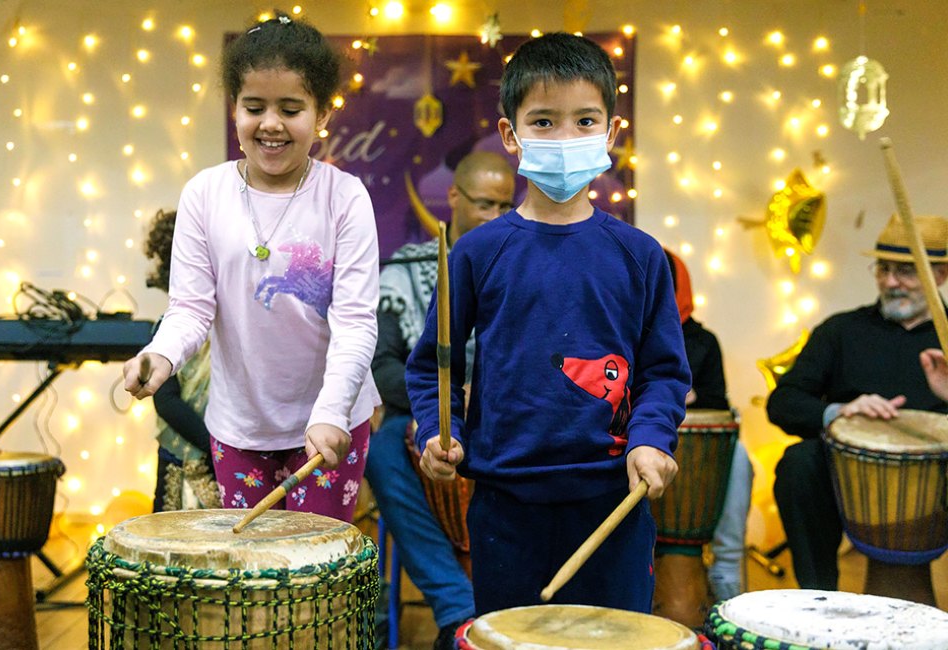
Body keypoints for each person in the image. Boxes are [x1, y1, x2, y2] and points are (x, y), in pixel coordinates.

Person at [406, 32, 690, 617]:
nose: (565, 138)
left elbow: (663, 372)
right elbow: (435, 366)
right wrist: (439, 433)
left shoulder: (641, 255)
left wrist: (651, 438)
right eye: (543, 121)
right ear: (511, 135)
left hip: (613, 500)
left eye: (585, 120)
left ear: (612, 132)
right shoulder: (476, 254)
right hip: (505, 506)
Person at [123, 13, 380, 522]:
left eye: (291, 108)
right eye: (254, 106)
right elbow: (192, 309)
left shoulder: (345, 197)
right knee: (256, 584)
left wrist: (330, 414)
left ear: (322, 114)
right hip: (238, 430)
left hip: (331, 424)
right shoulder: (204, 193)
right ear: (234, 108)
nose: (270, 123)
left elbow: (355, 322)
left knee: (316, 577)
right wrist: (160, 354)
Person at [369, 151, 515, 649]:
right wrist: (441, 403)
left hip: (499, 416)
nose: (495, 217)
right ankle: (459, 609)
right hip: (420, 414)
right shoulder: (404, 272)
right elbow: (384, 364)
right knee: (384, 449)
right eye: (484, 204)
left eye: (504, 206)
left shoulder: (518, 271)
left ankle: (522, 608)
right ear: (453, 198)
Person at [767, 213, 948, 590]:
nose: (890, 282)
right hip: (845, 470)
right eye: (883, 268)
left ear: (941, 276)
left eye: (906, 271)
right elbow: (783, 401)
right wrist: (839, 412)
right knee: (799, 464)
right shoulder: (841, 330)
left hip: (936, 479)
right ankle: (819, 597)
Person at [664, 250, 753, 602]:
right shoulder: (617, 332)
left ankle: (728, 566)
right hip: (633, 440)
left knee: (740, 456)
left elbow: (717, 405)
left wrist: (688, 398)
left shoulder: (702, 341)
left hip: (691, 448)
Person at [143, 208, 220, 513]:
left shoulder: (243, 328)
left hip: (231, 460)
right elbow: (166, 401)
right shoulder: (169, 331)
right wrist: (215, 446)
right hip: (182, 464)